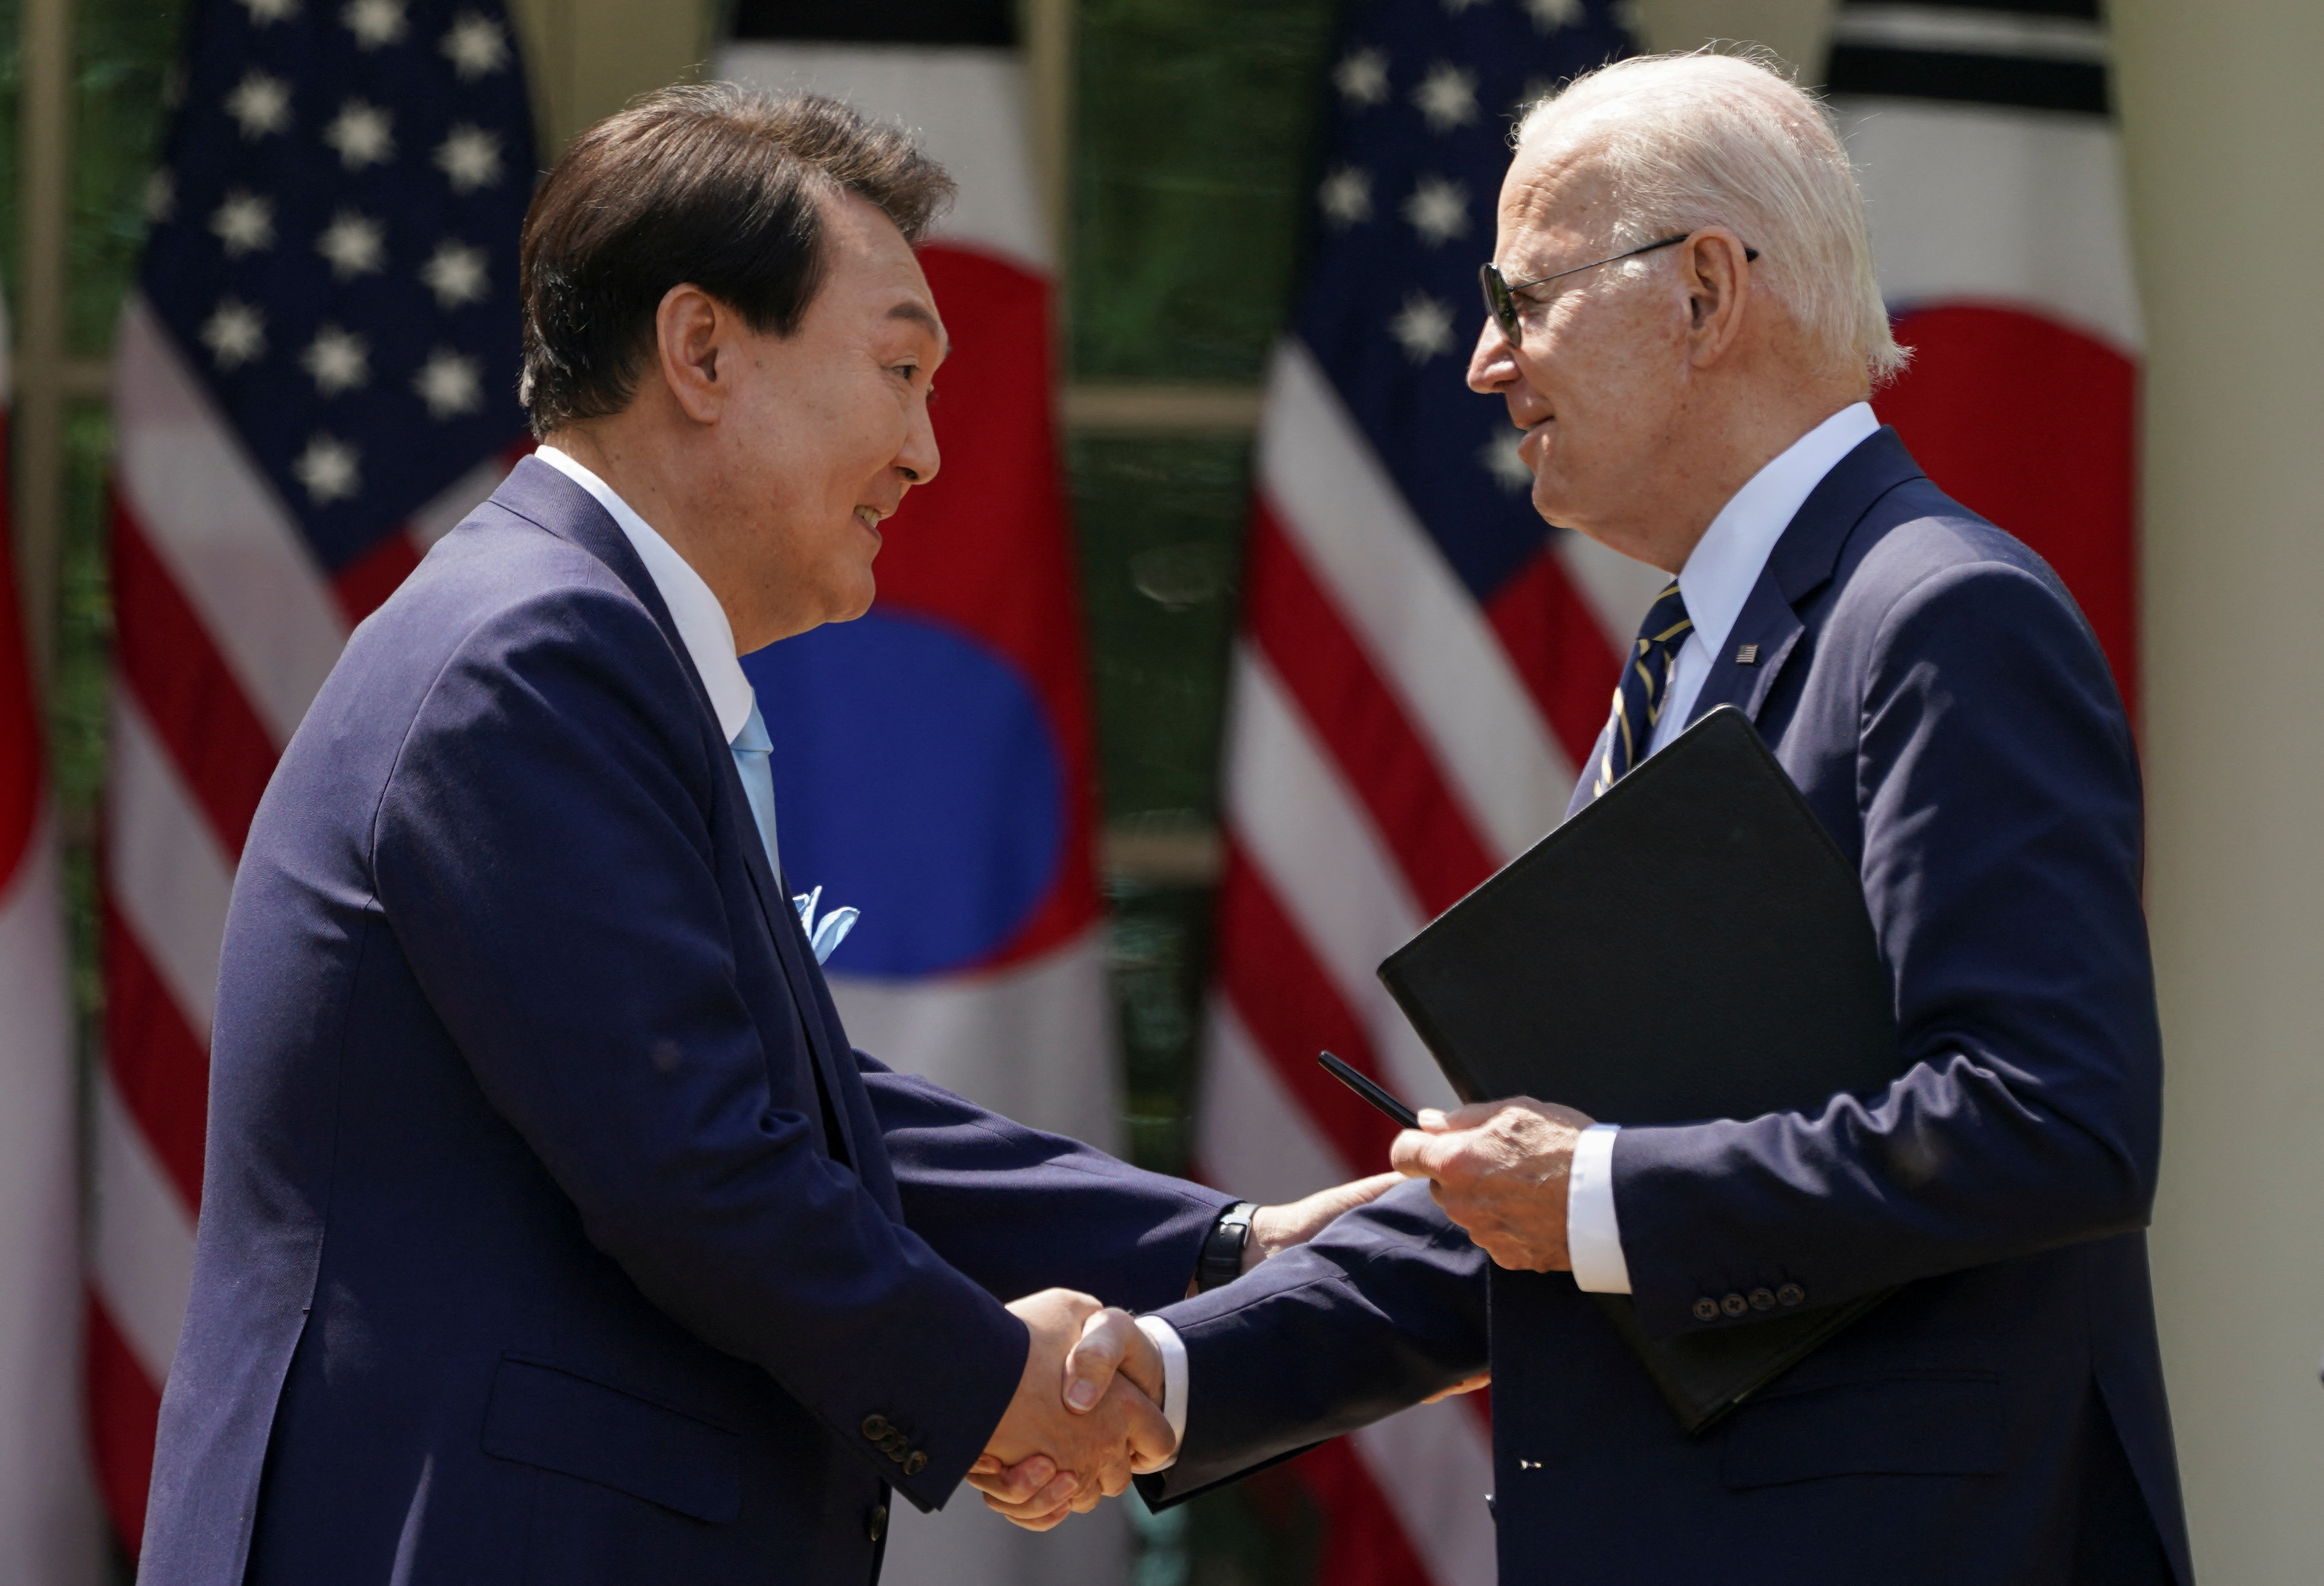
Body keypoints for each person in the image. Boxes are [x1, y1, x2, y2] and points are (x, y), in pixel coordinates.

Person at [138, 86, 1393, 1585]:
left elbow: (777, 1107)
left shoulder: (571, 634)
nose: (926, 452)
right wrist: (994, 1382)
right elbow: (693, 1162)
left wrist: (1216, 1249)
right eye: (899, 370)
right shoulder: (530, 656)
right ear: (703, 350)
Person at [986, 51, 2194, 1585]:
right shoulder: (1688, 653)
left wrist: (1597, 1190)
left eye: (1524, 299)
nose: (1487, 364)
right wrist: (1166, 1379)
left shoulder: (1939, 613)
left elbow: (2050, 1121)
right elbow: (1539, 1193)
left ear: (1702, 293)